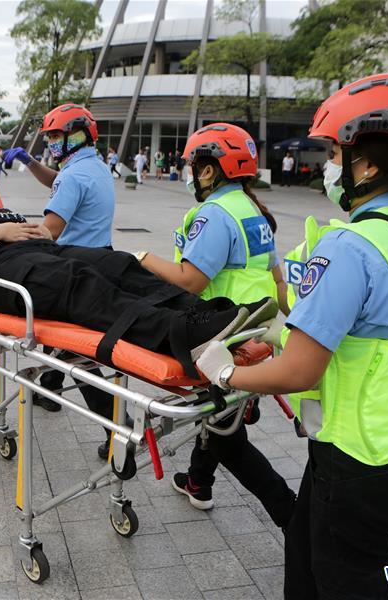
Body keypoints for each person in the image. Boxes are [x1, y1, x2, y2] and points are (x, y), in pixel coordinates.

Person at [193, 74, 388, 599]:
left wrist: (227, 372)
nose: (328, 167)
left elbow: (302, 371)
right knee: (305, 554)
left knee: (346, 578)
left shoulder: (351, 246)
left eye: (334, 153)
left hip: (359, 459)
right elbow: (374, 333)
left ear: (368, 164)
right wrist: (279, 342)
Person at [0, 162, 273, 379]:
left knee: (118, 263)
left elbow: (45, 232)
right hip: (4, 273)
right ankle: (178, 334)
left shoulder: (7, 211)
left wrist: (35, 230)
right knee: (79, 283)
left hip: (44, 252)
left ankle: (206, 316)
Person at [135, 124, 295, 525]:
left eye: (194, 165)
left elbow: (191, 279)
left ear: (208, 170)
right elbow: (278, 281)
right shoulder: (252, 211)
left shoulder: (215, 213)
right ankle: (198, 482)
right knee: (220, 413)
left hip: (223, 332)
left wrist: (142, 258)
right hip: (254, 327)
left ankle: (289, 513)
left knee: (228, 437)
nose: (190, 172)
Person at [1, 104, 120, 457]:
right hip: (103, 257)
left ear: (77, 135)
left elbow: (49, 231)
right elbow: (58, 181)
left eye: (55, 136)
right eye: (49, 136)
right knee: (63, 337)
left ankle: (118, 434)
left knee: (78, 354)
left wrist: (5, 231)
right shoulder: (95, 167)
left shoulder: (73, 176)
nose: (50, 142)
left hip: (76, 265)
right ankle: (48, 388)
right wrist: (31, 162)